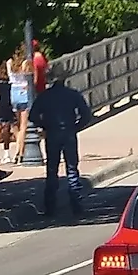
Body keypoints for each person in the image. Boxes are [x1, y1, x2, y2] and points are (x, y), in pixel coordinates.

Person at [27, 68, 94, 220]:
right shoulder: (73, 94)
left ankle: (50, 206)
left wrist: (45, 125)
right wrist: (76, 126)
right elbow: (86, 115)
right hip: (69, 132)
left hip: (52, 133)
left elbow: (33, 115)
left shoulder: (45, 96)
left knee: (52, 170)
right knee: (72, 169)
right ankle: (76, 204)